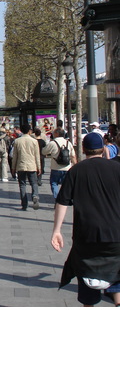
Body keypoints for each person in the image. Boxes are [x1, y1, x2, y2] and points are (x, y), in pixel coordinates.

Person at [51, 132, 120, 307]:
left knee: (87, 282)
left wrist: (57, 230)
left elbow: (62, 201)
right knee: (118, 275)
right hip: (116, 234)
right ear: (103, 148)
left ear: (83, 149)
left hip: (86, 236)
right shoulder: (117, 168)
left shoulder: (76, 170)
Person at [11, 123, 41, 210]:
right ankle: (35, 195)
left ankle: (24, 204)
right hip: (32, 165)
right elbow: (37, 156)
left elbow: (15, 156)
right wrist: (39, 167)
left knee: (22, 185)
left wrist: (13, 168)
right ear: (29, 131)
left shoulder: (17, 141)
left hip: (21, 166)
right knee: (34, 183)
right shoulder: (34, 141)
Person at [42, 127, 76, 199]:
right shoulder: (68, 143)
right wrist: (75, 165)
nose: (53, 134)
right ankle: (64, 198)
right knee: (65, 184)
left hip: (55, 167)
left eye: (53, 133)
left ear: (57, 134)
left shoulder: (53, 143)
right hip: (67, 167)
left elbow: (44, 151)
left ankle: (57, 198)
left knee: (54, 183)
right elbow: (73, 156)